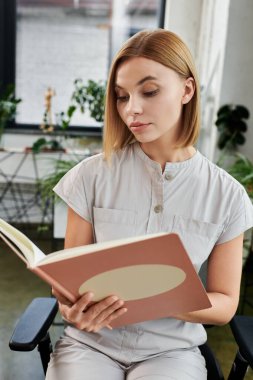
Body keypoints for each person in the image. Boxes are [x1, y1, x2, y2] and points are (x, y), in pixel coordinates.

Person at [46, 29, 253, 380]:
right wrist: (71, 310)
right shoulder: (89, 177)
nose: (132, 109)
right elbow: (67, 285)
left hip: (172, 351)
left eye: (150, 91)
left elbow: (225, 304)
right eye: (121, 96)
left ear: (187, 90)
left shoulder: (228, 196)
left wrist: (167, 298)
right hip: (90, 344)